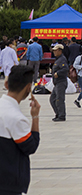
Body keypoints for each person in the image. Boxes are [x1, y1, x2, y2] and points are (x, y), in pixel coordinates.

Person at [0, 65, 41, 195]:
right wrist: (35, 117)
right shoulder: (16, 118)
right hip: (9, 184)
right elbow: (30, 147)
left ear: (6, 84)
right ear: (29, 87)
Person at [49, 44, 69, 122]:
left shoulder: (62, 59)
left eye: (55, 50)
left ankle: (61, 116)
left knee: (59, 99)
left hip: (61, 82)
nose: (54, 52)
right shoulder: (58, 59)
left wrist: (58, 73)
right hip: (57, 83)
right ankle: (58, 113)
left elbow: (65, 69)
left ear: (60, 51)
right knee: (52, 99)